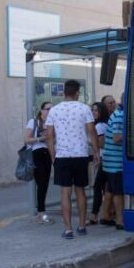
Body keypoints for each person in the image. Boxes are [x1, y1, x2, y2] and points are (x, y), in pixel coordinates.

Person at [45, 80, 99, 240]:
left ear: (64, 93)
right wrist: (96, 151)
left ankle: (68, 229)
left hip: (62, 156)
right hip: (81, 155)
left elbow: (49, 135)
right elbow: (91, 131)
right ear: (77, 93)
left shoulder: (54, 110)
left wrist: (52, 154)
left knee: (65, 192)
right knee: (80, 190)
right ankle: (82, 226)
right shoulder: (84, 108)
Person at [24, 103, 54, 225]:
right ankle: (41, 214)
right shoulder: (34, 122)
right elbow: (26, 139)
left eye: (53, 109)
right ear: (41, 110)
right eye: (48, 109)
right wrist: (40, 139)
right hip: (37, 154)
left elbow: (54, 140)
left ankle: (41, 212)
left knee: (45, 184)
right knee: (41, 184)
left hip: (47, 153)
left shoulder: (52, 123)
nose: (50, 111)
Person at [101, 99, 125, 230]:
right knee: (118, 192)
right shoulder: (120, 116)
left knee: (110, 190)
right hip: (116, 162)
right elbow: (117, 138)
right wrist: (132, 134)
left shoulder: (117, 114)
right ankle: (120, 221)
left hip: (110, 161)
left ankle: (105, 216)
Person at [88, 102, 110, 225]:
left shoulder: (99, 126)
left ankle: (94, 215)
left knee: (97, 187)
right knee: (106, 187)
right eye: (92, 110)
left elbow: (101, 144)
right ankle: (103, 214)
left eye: (96, 110)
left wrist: (90, 142)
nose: (93, 112)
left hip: (103, 158)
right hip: (107, 158)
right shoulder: (104, 124)